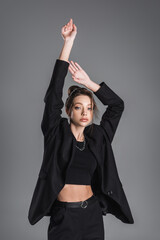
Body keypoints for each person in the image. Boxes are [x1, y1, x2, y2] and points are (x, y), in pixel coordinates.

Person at [28, 18, 134, 240]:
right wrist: (68, 43)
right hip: (63, 217)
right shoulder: (55, 133)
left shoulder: (99, 137)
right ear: (69, 111)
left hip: (92, 216)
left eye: (89, 107)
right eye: (79, 107)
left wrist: (90, 84)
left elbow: (117, 106)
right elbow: (53, 96)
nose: (85, 112)